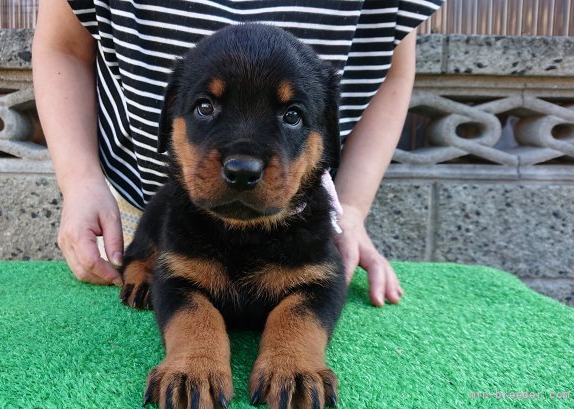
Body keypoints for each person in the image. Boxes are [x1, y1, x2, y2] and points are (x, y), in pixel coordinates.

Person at [32, 0, 442, 307]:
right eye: (205, 107)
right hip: (146, 205)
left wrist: (350, 208)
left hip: (296, 209)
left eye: (293, 114)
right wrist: (80, 180)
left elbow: (393, 68)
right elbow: (63, 46)